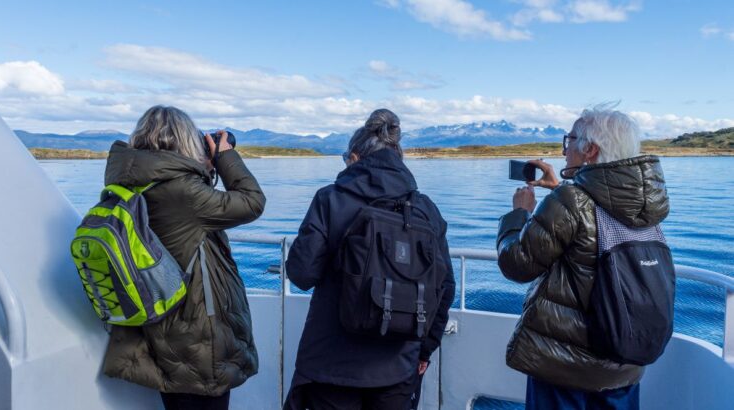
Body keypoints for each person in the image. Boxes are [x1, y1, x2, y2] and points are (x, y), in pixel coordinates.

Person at [496, 105, 670, 410]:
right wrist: (563, 187)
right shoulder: (645, 204)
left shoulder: (570, 202)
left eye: (569, 140)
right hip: (622, 367)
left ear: (589, 149)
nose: (564, 151)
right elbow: (597, 226)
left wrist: (519, 214)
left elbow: (516, 264)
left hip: (566, 370)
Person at [283, 109, 456, 410]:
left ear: (354, 158)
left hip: (330, 365)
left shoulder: (330, 198)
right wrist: (424, 351)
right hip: (398, 365)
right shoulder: (426, 209)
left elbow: (301, 273)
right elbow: (446, 287)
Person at [101, 105, 265, 410]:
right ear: (185, 141)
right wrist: (225, 155)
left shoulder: (130, 183)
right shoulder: (183, 192)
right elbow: (252, 202)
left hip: (156, 321)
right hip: (194, 333)